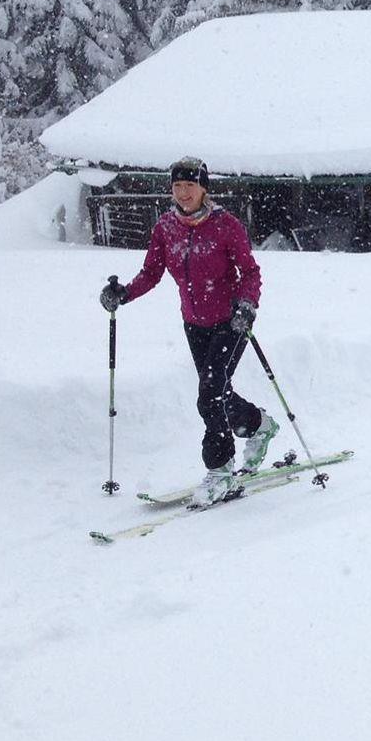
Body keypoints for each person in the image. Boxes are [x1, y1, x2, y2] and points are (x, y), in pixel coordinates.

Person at [99, 157, 276, 507]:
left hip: (231, 321)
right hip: (194, 323)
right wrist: (124, 294)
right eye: (177, 186)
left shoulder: (226, 225)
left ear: (203, 188)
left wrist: (247, 305)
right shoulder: (166, 227)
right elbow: (151, 273)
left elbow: (250, 272)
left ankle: (220, 470)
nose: (183, 193)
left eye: (190, 186)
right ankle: (258, 425)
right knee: (218, 390)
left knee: (209, 394)